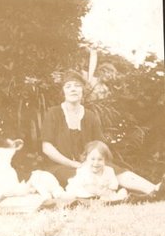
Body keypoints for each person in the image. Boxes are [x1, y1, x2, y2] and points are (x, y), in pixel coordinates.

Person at [41, 69, 164, 198]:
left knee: (115, 170)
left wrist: (94, 162)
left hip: (91, 163)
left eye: (77, 86)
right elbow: (47, 148)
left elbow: (99, 146)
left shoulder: (90, 116)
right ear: (63, 92)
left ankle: (155, 190)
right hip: (62, 166)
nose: (73, 89)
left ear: (82, 91)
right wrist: (74, 164)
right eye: (68, 86)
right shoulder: (53, 113)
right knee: (85, 176)